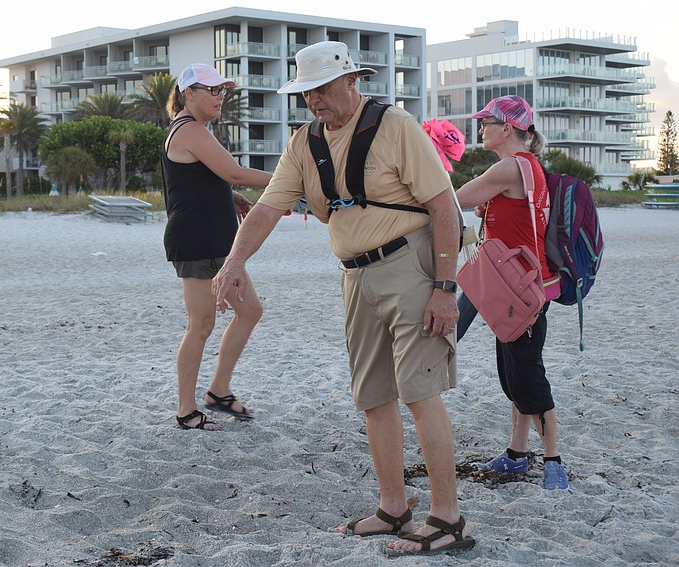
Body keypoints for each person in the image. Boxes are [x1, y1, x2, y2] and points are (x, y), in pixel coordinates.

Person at [212, 41, 475, 556]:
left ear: (352, 82)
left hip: (412, 266)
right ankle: (393, 508)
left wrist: (446, 289)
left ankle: (446, 518)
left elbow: (445, 207)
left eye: (323, 89)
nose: (315, 100)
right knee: (374, 397)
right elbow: (266, 209)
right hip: (355, 276)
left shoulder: (395, 126)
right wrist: (233, 262)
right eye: (307, 92)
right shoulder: (303, 143)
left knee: (421, 393)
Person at [455, 95, 569, 490]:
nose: (481, 128)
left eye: (487, 122)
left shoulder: (510, 168)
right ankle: (517, 454)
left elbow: (455, 199)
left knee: (528, 378)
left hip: (521, 292)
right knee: (515, 371)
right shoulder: (527, 167)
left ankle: (553, 460)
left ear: (508, 129)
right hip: (520, 288)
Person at [162, 63, 272, 431]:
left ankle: (219, 391)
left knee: (250, 311)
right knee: (201, 325)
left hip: (214, 239)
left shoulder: (195, 130)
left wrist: (232, 198)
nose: (220, 96)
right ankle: (186, 410)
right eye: (212, 90)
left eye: (222, 90)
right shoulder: (189, 129)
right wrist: (294, 182)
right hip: (197, 241)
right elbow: (234, 171)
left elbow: (200, 181)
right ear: (188, 93)